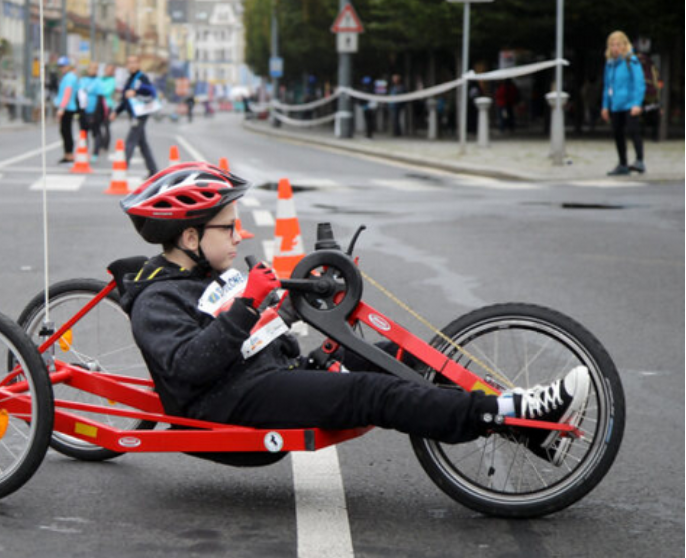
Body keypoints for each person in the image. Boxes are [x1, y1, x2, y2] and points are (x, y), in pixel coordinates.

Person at [117, 162, 590, 465]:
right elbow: (187, 368)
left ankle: (534, 436)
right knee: (372, 392)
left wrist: (298, 311)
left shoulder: (205, 277)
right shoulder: (157, 300)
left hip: (274, 375)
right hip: (230, 405)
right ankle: (514, 412)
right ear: (191, 238)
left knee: (406, 355)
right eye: (228, 227)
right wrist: (245, 305)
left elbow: (257, 338)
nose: (239, 236)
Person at [601, 31, 646, 175]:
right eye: (612, 45)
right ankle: (623, 164)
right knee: (617, 134)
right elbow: (607, 86)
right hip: (616, 105)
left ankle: (639, 160)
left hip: (630, 103)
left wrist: (637, 103)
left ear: (624, 45)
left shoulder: (631, 60)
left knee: (633, 131)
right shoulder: (610, 64)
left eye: (618, 45)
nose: (615, 48)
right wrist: (605, 106)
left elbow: (639, 83)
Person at [111, 55, 158, 177]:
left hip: (140, 114)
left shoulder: (142, 78)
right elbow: (124, 100)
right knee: (142, 144)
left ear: (139, 64)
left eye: (134, 62)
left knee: (130, 141)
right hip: (133, 114)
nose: (132, 65)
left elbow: (152, 92)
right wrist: (116, 112)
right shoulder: (129, 79)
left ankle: (121, 168)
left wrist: (136, 92)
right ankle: (153, 171)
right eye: (129, 62)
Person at [55, 56, 79, 164]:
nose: (62, 68)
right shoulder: (67, 77)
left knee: (66, 131)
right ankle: (67, 154)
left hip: (68, 108)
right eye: (60, 66)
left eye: (63, 66)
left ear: (68, 66)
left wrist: (61, 108)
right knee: (64, 131)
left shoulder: (69, 77)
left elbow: (67, 94)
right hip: (67, 107)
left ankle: (69, 154)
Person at [94, 64, 116, 158]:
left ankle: (105, 145)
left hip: (107, 105)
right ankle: (99, 144)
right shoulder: (101, 79)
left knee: (106, 126)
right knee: (97, 126)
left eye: (110, 70)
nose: (108, 71)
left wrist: (98, 90)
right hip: (98, 105)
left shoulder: (112, 80)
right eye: (107, 69)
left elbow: (106, 92)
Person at [78, 62, 101, 157]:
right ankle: (84, 152)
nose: (92, 70)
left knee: (95, 132)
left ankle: (95, 152)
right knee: (83, 132)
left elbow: (100, 98)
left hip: (94, 110)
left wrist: (97, 113)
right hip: (83, 110)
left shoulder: (99, 82)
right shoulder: (83, 80)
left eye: (95, 68)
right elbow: (79, 93)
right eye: (91, 68)